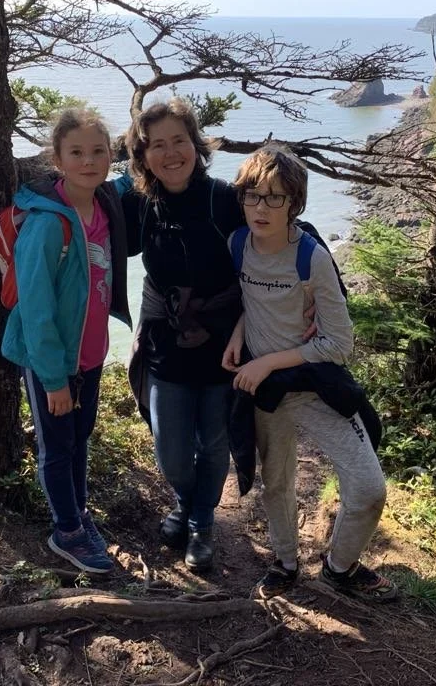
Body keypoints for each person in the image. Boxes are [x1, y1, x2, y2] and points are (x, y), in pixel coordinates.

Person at [222, 145, 399, 602]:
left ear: (295, 204)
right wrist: (240, 335)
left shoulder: (312, 258)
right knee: (276, 483)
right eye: (253, 196)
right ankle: (284, 562)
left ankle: (339, 568)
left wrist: (267, 361)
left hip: (314, 384)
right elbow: (248, 301)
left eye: (275, 198)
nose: (261, 208)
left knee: (368, 488)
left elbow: (339, 345)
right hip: (267, 392)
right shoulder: (237, 243)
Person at [2, 108, 133, 574]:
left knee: (80, 438)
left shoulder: (103, 205)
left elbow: (132, 182)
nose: (88, 161)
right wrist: (54, 380)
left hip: (91, 356)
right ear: (56, 158)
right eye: (76, 152)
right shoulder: (45, 226)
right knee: (57, 447)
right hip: (50, 363)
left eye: (99, 151)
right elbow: (36, 310)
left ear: (112, 156)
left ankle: (79, 514)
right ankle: (66, 531)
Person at [123, 98, 245, 573]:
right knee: (171, 446)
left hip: (221, 339)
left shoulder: (225, 199)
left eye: (179, 141)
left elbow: (273, 245)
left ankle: (200, 521)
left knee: (213, 441)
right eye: (156, 145)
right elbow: (80, 199)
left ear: (196, 145)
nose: (170, 153)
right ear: (142, 154)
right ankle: (184, 499)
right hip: (166, 338)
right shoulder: (138, 202)